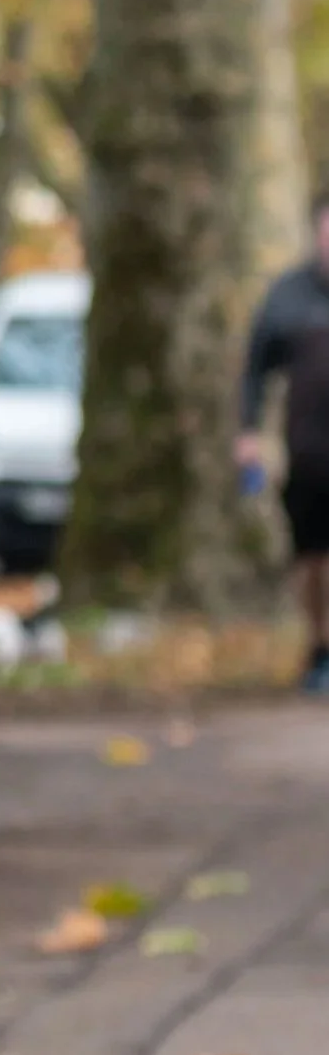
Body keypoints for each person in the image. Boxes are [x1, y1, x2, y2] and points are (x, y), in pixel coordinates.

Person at [236, 189, 329, 694]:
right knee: (312, 558)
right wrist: (248, 433)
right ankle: (320, 648)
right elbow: (254, 369)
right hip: (308, 455)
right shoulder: (288, 296)